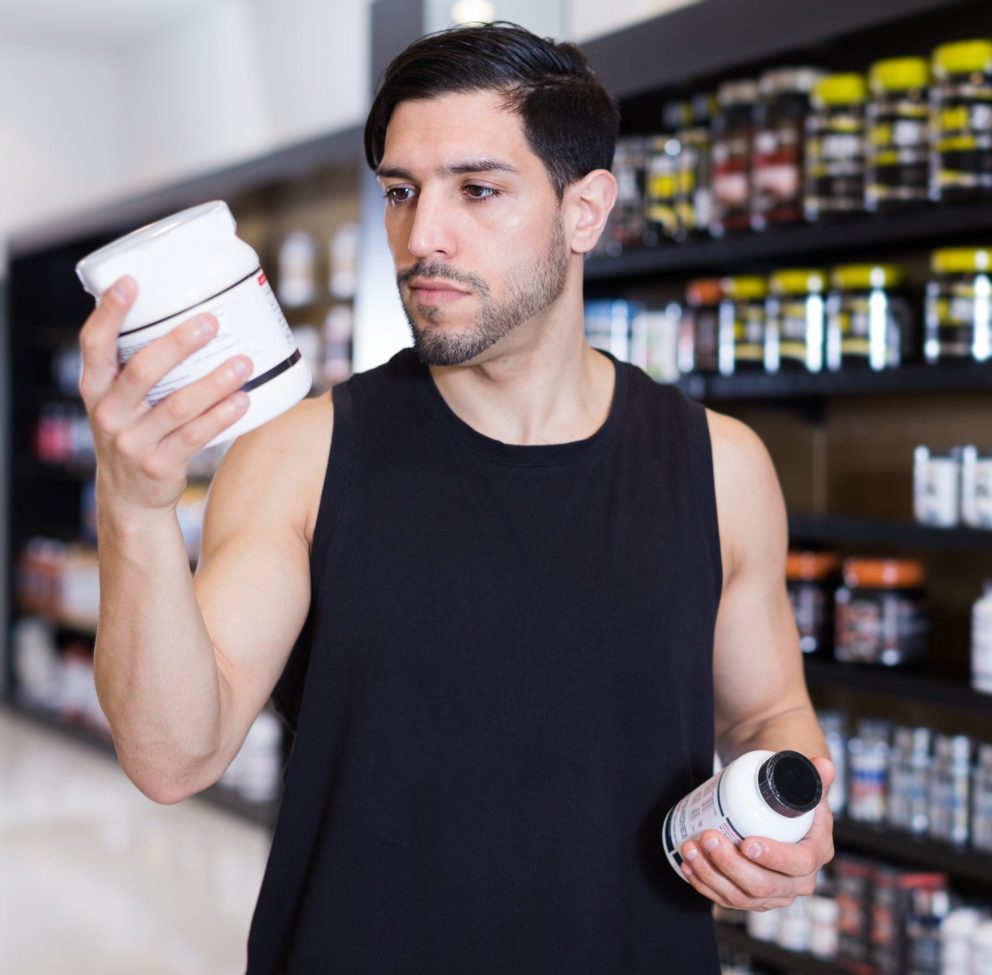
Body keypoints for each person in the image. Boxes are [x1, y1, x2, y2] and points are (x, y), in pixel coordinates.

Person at [77, 21, 834, 974]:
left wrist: (789, 818)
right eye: (402, 191)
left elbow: (769, 715)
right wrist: (135, 510)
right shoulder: (302, 456)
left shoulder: (721, 466)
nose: (421, 236)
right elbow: (170, 756)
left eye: (477, 189)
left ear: (585, 209)